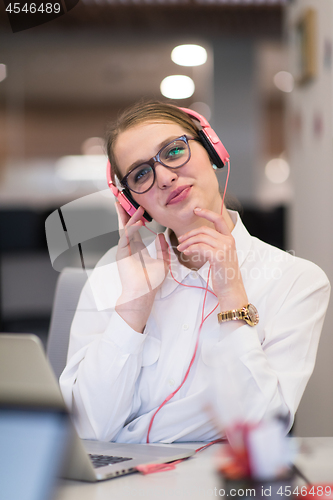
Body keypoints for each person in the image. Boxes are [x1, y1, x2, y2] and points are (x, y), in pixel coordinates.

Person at [59, 101, 330, 444]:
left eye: (174, 151)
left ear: (213, 151)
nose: (165, 177)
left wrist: (232, 296)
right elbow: (85, 430)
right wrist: (131, 312)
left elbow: (260, 431)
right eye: (141, 174)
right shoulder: (111, 278)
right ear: (131, 202)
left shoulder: (296, 281)